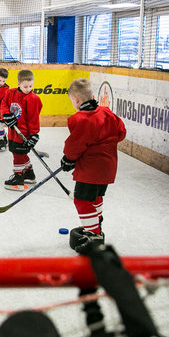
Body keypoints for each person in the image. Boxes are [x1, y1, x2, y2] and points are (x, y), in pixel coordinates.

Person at [61, 78, 126, 253]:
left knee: (81, 199)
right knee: (95, 197)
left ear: (75, 100)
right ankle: (97, 226)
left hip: (90, 169)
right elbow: (121, 133)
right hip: (108, 167)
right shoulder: (107, 112)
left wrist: (68, 159)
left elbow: (75, 145)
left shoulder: (79, 119)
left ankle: (94, 235)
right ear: (93, 96)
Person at [0, 69, 42, 190]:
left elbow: (34, 119)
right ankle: (29, 173)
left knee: (18, 155)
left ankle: (18, 178)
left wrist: (34, 134)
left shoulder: (33, 99)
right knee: (17, 152)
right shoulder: (10, 93)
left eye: (31, 86)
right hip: (13, 132)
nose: (28, 89)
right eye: (25, 86)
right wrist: (6, 115)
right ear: (18, 84)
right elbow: (4, 104)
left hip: (24, 133)